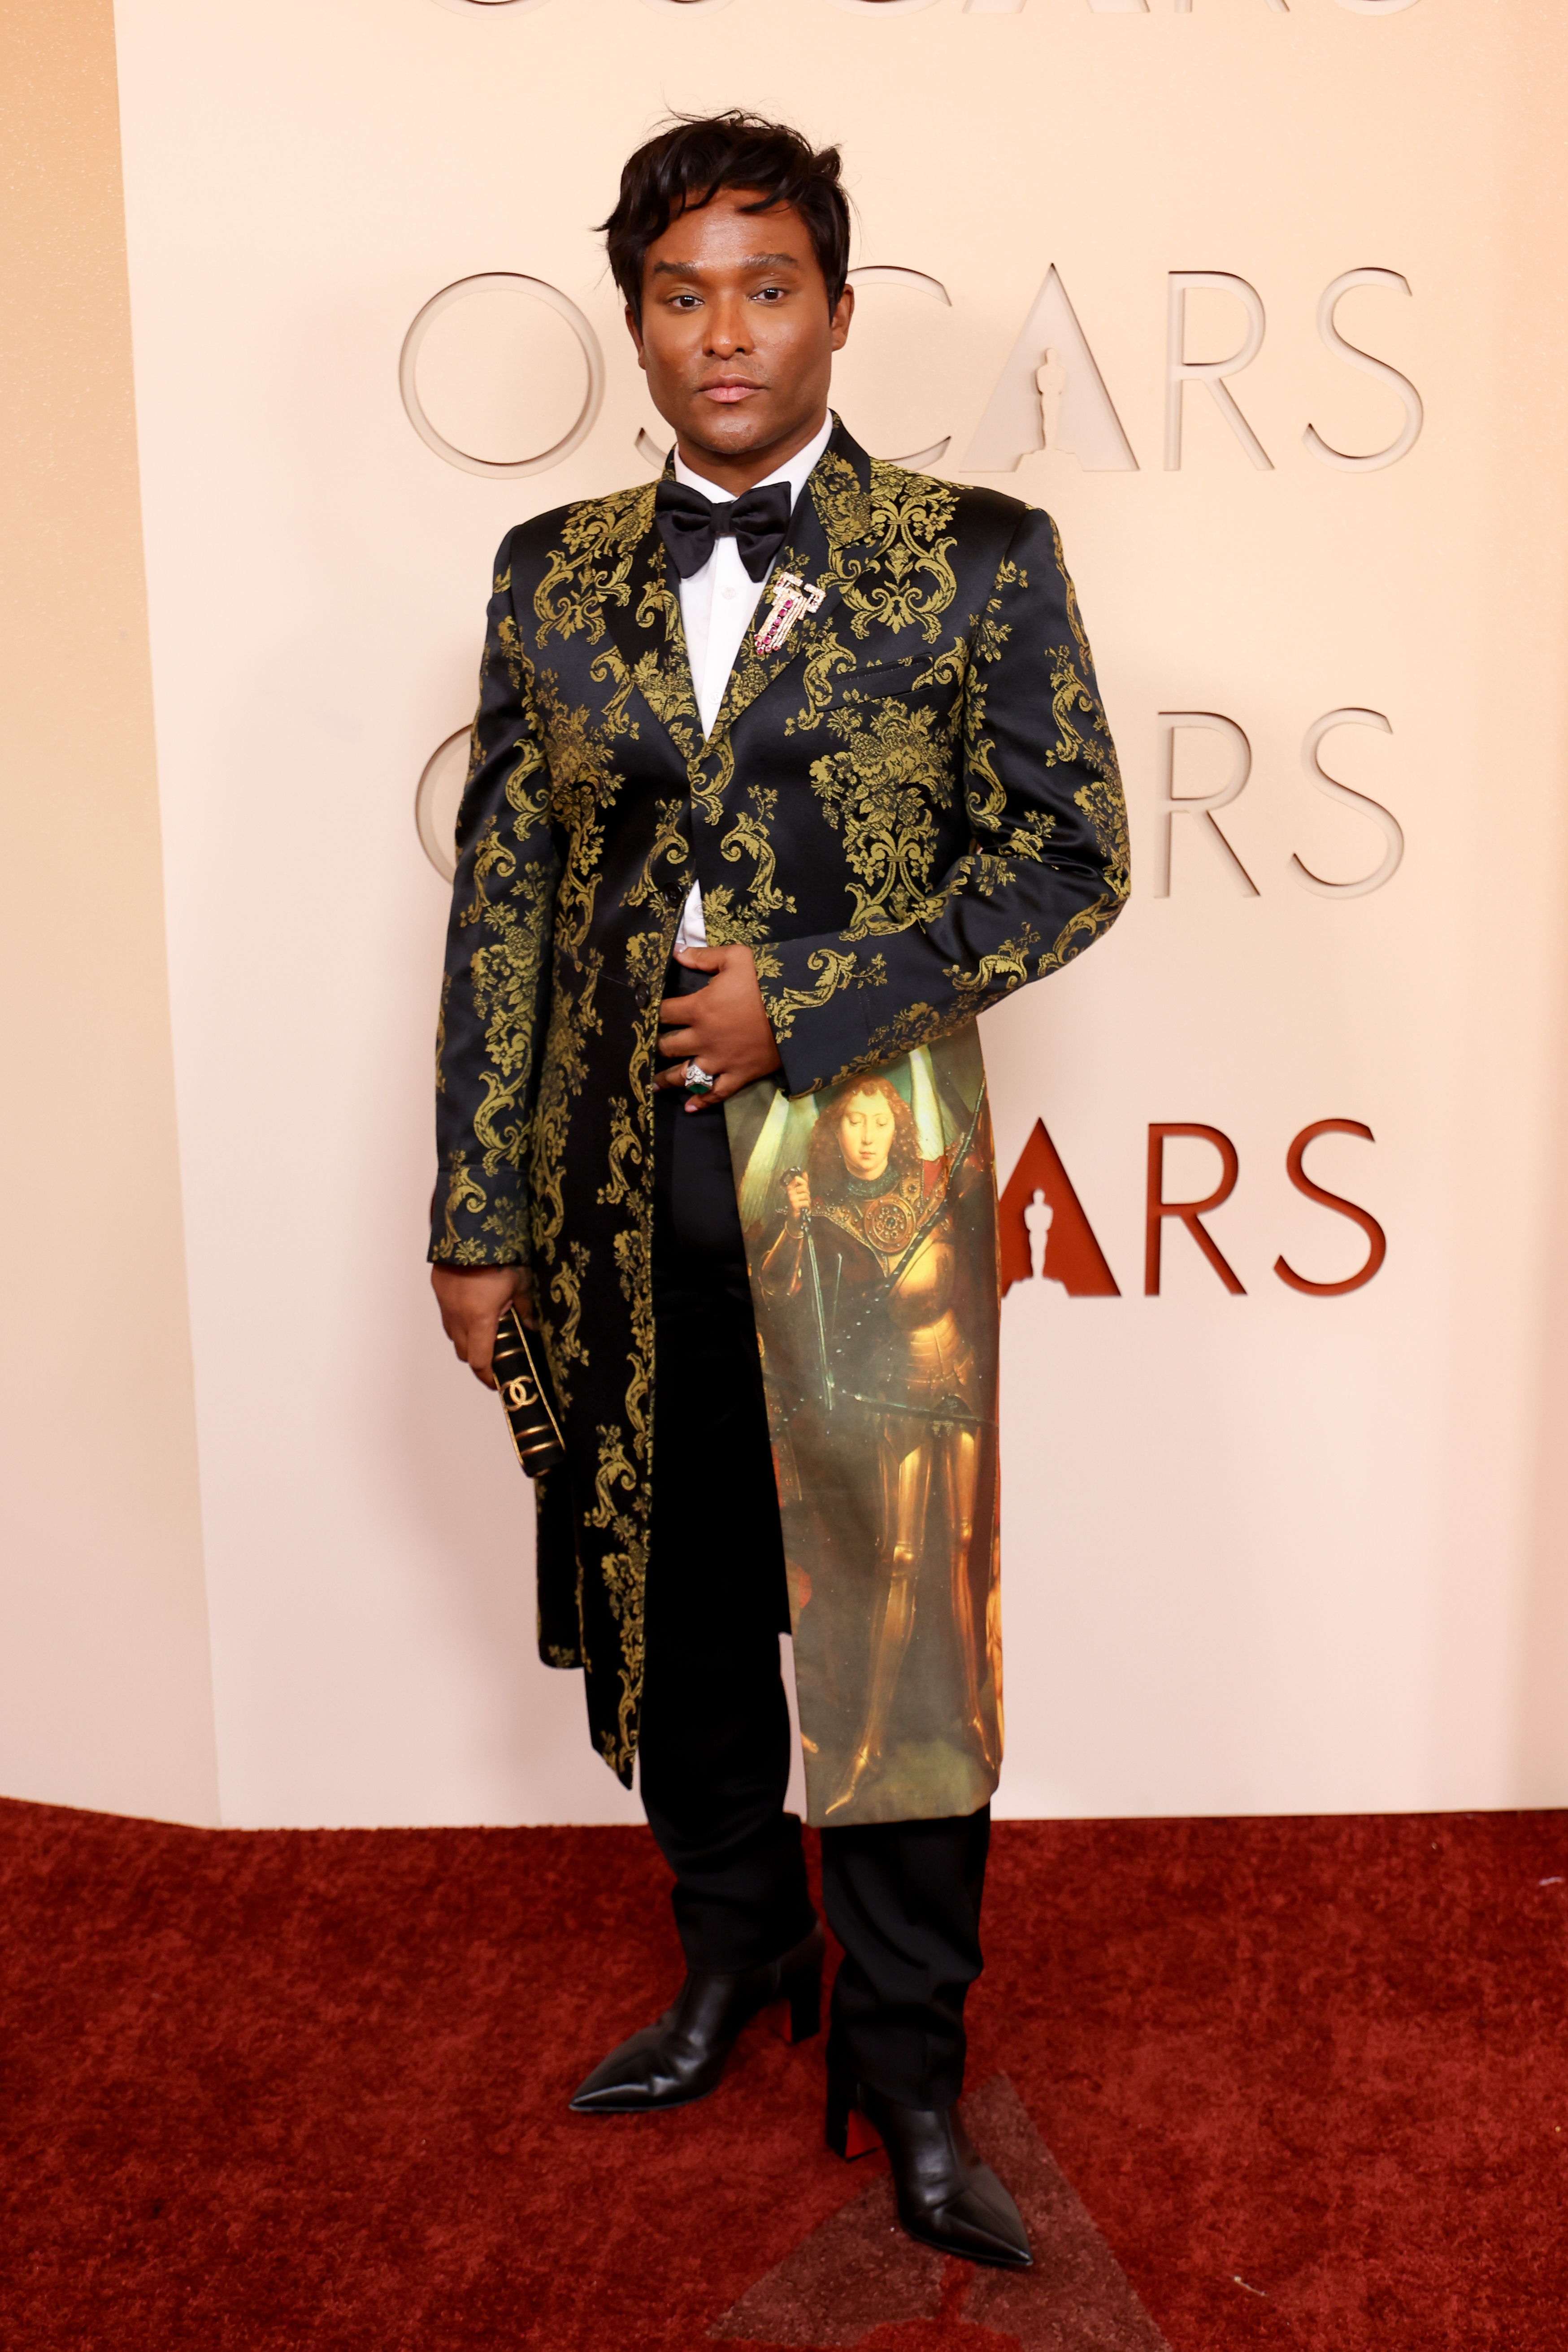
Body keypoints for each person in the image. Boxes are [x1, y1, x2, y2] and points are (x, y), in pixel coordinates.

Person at [429, 113, 1128, 2270]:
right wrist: (474, 1211)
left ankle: (907, 2065)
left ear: (832, 308)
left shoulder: (973, 554)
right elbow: (502, 903)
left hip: (869, 1189)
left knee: (897, 1632)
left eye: (763, 288)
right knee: (682, 1596)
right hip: (615, 1190)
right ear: (636, 320)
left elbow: (1071, 857)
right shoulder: (549, 572)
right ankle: (737, 1953)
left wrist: (802, 1002)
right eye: (680, 293)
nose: (721, 331)